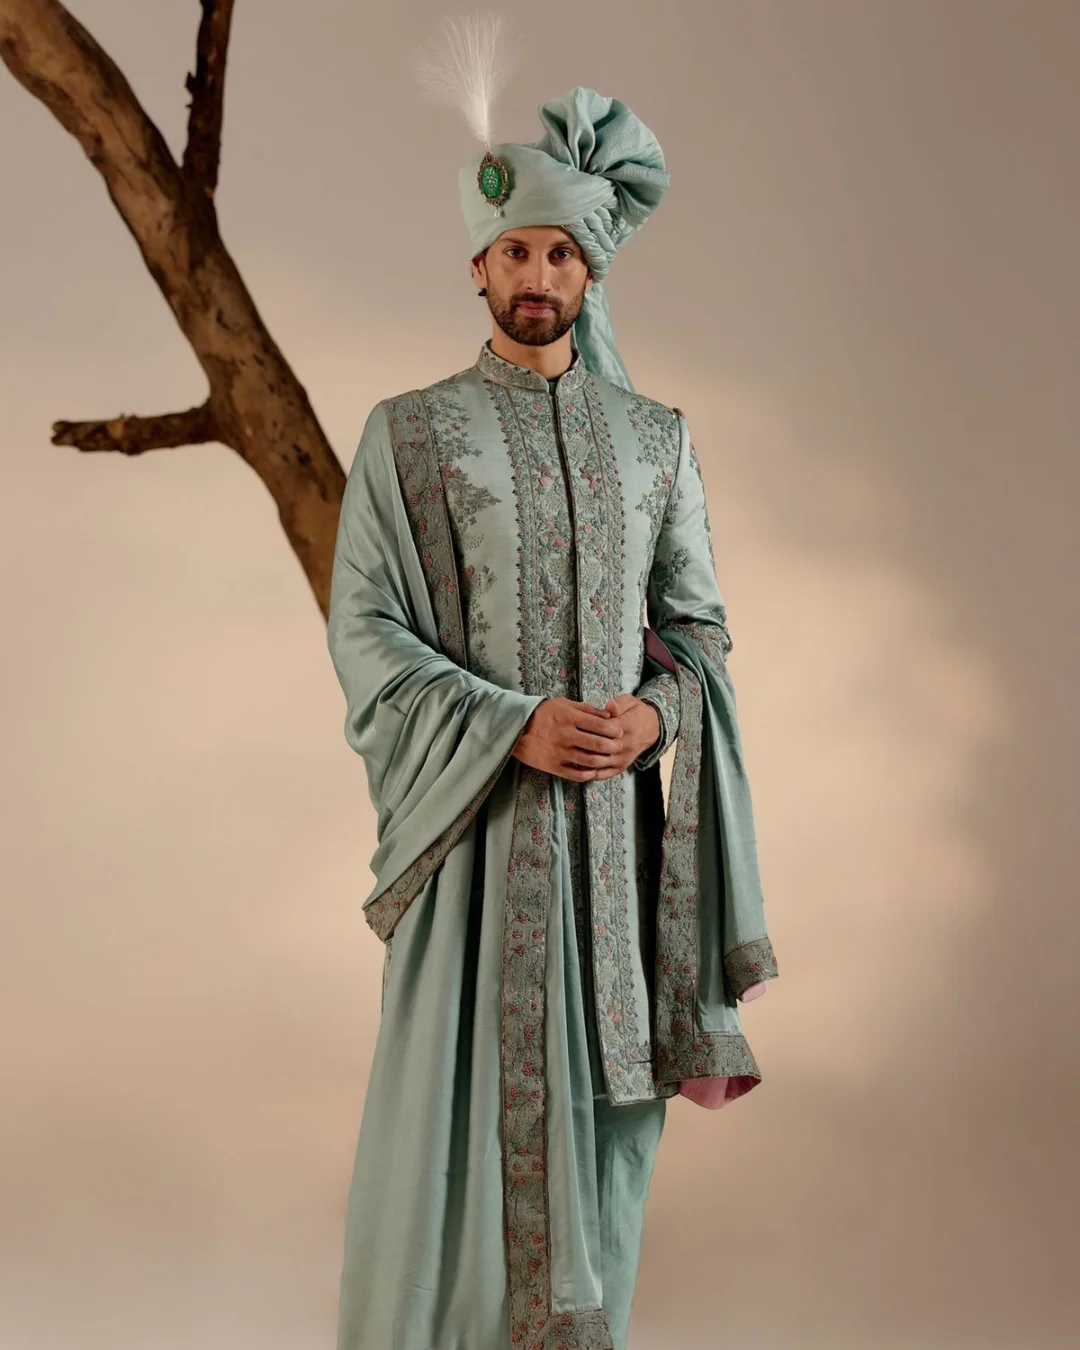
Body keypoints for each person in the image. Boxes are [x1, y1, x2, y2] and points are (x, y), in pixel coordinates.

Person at [327, 83, 777, 1350]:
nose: (538, 276)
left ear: (591, 270)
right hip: (475, 855)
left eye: (562, 254)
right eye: (516, 251)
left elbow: (701, 632)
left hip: (615, 879)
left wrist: (653, 717)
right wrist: (512, 724)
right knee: (449, 1138)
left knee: (608, 1138)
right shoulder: (411, 437)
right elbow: (366, 631)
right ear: (477, 265)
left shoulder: (657, 443)